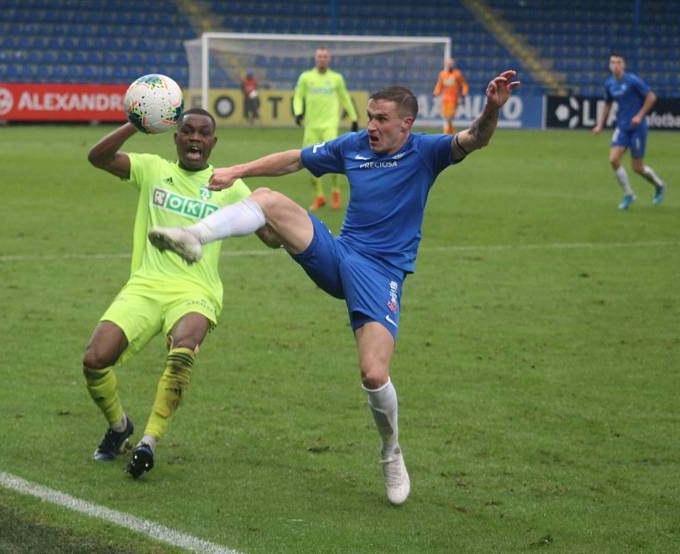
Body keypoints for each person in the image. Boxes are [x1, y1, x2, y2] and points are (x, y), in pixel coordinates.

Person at [148, 70, 520, 505]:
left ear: (407, 124)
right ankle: (195, 236)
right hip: (339, 254)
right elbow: (295, 159)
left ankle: (391, 451)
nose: (372, 126)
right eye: (369, 117)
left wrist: (493, 107)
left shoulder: (427, 152)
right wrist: (237, 170)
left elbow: (475, 138)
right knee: (267, 198)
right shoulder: (354, 147)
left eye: (382, 119)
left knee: (374, 374)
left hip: (381, 274)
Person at [84, 108, 269, 479]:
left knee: (182, 353)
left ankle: (148, 442)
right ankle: (120, 426)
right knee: (94, 360)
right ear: (175, 137)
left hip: (196, 291)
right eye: (187, 131)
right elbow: (98, 158)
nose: (195, 138)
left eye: (204, 133)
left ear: (214, 142)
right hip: (146, 285)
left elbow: (266, 231)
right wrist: (134, 125)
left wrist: (289, 232)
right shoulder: (153, 168)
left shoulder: (230, 185)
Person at [592, 54, 666, 209]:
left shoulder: (632, 81)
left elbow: (651, 97)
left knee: (637, 168)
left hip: (637, 128)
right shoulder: (609, 83)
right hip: (622, 127)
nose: (615, 65)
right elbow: (607, 104)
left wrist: (639, 115)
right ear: (609, 65)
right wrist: (600, 125)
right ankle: (629, 195)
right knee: (613, 160)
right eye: (612, 62)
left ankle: (659, 185)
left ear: (623, 66)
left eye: (618, 62)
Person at [293, 46, 359, 211]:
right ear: (315, 59)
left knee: (333, 158)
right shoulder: (306, 77)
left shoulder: (336, 78)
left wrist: (354, 117)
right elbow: (298, 96)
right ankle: (320, 196)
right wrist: (298, 112)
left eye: (325, 57)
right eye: (319, 57)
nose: (322, 59)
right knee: (307, 160)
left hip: (329, 125)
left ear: (329, 59)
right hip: (311, 126)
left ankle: (335, 191)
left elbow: (345, 97)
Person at [433, 58, 469, 134]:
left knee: (449, 117)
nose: (450, 65)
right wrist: (436, 92)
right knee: (447, 118)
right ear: (446, 65)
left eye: (451, 64)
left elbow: (464, 84)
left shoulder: (457, 74)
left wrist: (464, 93)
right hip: (445, 100)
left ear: (454, 65)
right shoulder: (442, 74)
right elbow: (439, 85)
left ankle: (447, 133)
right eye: (448, 64)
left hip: (454, 100)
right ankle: (451, 133)